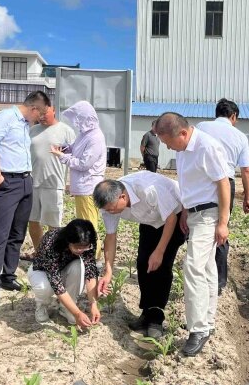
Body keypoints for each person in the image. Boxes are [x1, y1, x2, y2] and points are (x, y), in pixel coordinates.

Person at [155, 112, 230, 357]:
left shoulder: (207, 147)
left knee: (193, 267)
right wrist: (186, 211)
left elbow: (224, 183)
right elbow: (188, 183)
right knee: (206, 268)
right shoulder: (182, 149)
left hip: (210, 213)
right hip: (195, 213)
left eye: (168, 141)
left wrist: (223, 221)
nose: (166, 147)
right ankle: (206, 324)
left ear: (183, 133)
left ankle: (197, 329)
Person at [93, 172, 185, 339]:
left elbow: (171, 219)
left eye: (112, 209)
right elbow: (111, 237)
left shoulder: (148, 189)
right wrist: (108, 271)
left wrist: (159, 251)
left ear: (122, 196)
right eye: (107, 210)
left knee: (162, 266)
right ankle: (146, 312)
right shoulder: (109, 206)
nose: (110, 212)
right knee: (143, 263)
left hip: (175, 216)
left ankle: (156, 317)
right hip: (150, 221)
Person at [0, 91, 48, 311]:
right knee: (0, 234)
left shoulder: (24, 124)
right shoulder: (6, 117)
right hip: (8, 181)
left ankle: (7, 275)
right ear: (34, 109)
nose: (38, 120)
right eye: (39, 116)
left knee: (17, 233)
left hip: (25, 181)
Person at [197, 98, 249, 294]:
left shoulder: (201, 127)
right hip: (225, 185)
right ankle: (219, 282)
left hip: (201, 183)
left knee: (198, 227)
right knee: (220, 229)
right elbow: (246, 170)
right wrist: (248, 197)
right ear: (233, 116)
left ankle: (199, 274)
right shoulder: (239, 136)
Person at [51, 101, 106, 257]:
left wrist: (62, 157)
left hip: (89, 187)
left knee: (89, 224)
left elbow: (84, 164)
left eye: (78, 118)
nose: (77, 122)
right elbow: (75, 148)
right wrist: (65, 148)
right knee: (85, 222)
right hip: (82, 187)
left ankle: (93, 257)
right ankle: (89, 254)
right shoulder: (85, 134)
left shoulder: (95, 137)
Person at [28, 219, 101, 327]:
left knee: (78, 267)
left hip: (66, 268)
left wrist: (93, 305)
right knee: (44, 288)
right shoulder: (51, 242)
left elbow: (90, 272)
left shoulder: (88, 240)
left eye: (85, 247)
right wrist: (77, 313)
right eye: (77, 247)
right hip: (42, 271)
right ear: (68, 241)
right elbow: (57, 285)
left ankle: (65, 308)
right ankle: (41, 305)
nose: (81, 250)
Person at [28, 95, 76, 251]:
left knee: (54, 224)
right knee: (33, 221)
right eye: (39, 114)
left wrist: (72, 183)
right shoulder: (33, 131)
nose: (41, 117)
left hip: (54, 185)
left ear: (54, 110)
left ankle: (54, 255)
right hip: (32, 183)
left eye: (45, 113)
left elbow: (74, 158)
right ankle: (39, 253)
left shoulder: (66, 131)